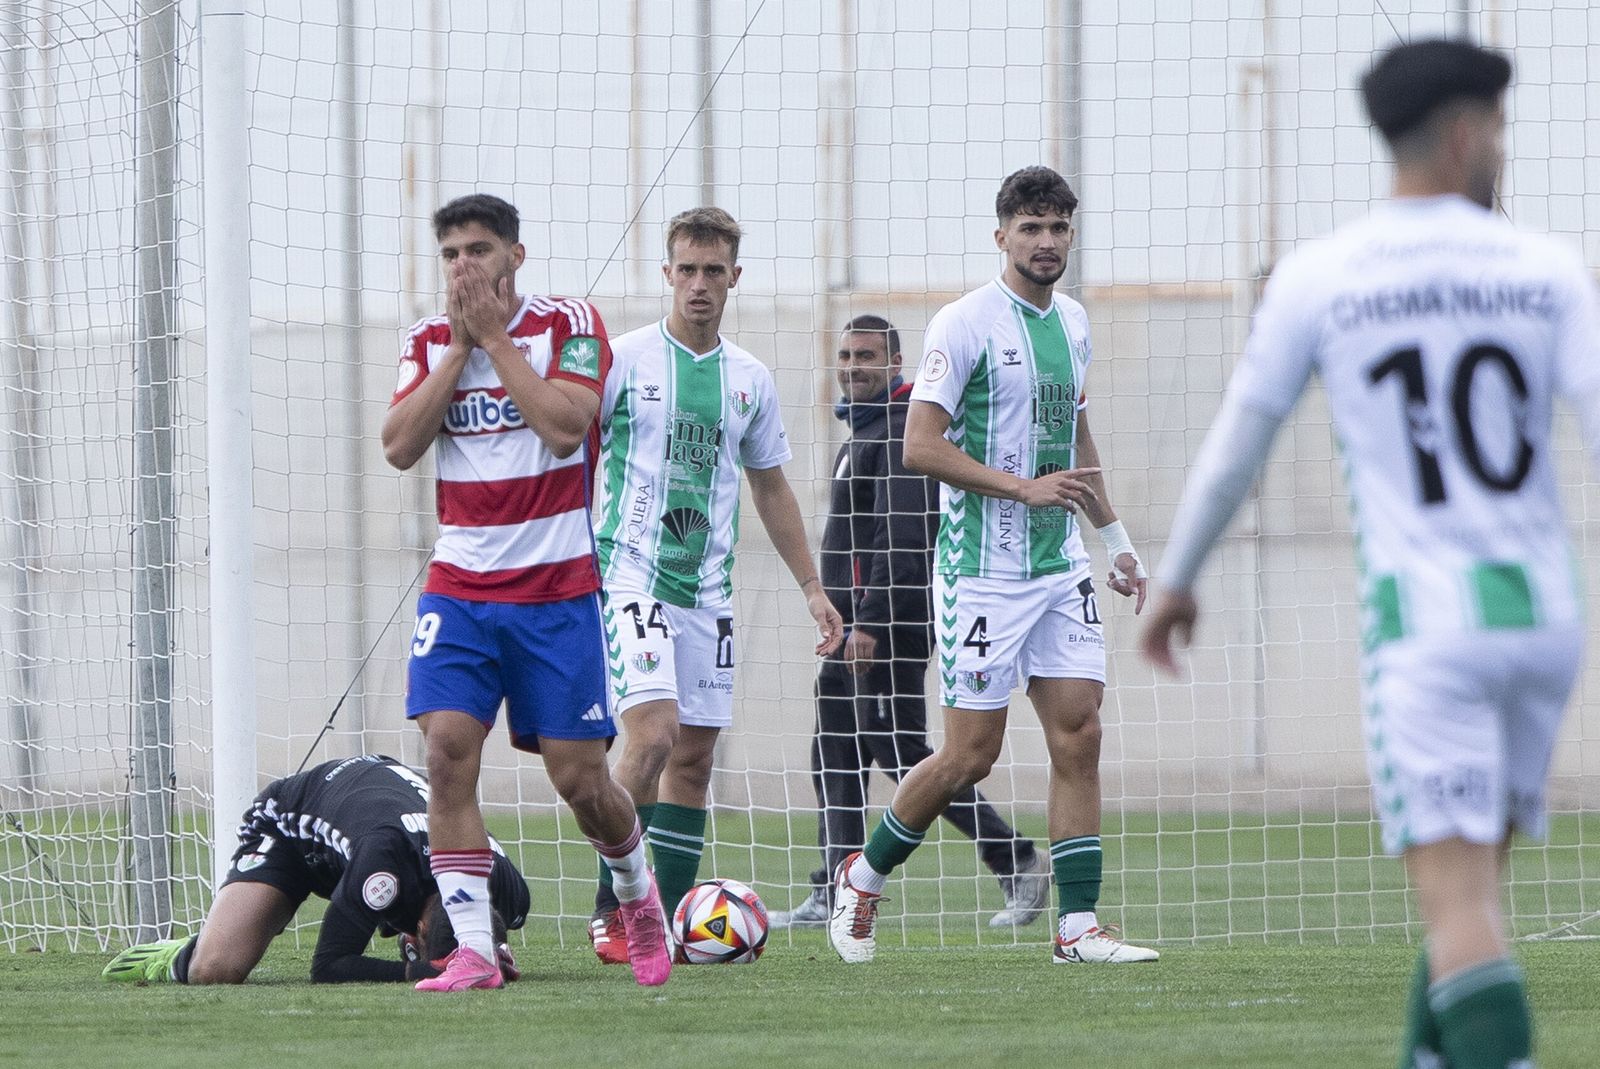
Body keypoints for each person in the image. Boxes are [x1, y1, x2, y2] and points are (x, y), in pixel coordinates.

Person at [1141, 39, 1600, 1069]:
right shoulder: (1543, 267)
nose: (1502, 149)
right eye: (1498, 128)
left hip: (1425, 628)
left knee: (1458, 901)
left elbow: (1234, 447)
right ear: (1459, 133)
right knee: (1470, 891)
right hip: (1540, 617)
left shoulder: (1323, 275)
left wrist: (1175, 579)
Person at [827, 166, 1158, 967]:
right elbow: (919, 444)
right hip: (980, 571)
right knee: (970, 754)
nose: (1045, 242)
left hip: (1058, 567)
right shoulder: (964, 323)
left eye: (1058, 228)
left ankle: (1078, 928)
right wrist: (1021, 487)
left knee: (1080, 733)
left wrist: (1115, 540)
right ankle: (862, 878)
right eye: (1030, 227)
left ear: (1071, 235)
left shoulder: (1075, 323)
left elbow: (1076, 440)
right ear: (1001, 234)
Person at [381, 193, 670, 990]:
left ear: (516, 254)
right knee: (445, 755)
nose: (463, 266)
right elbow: (400, 445)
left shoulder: (569, 323)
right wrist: (457, 354)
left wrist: (497, 342)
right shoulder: (428, 339)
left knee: (581, 781)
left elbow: (567, 425)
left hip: (555, 593)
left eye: (478, 250)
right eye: (450, 254)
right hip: (459, 591)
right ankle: (473, 946)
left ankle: (637, 894)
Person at [586, 207, 845, 963]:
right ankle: (614, 909)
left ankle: (663, 918)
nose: (699, 284)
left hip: (708, 591)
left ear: (735, 276)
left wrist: (811, 586)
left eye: (713, 271)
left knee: (694, 757)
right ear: (666, 274)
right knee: (652, 736)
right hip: (629, 574)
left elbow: (770, 486)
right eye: (686, 270)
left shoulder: (749, 378)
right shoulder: (625, 359)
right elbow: (573, 448)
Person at [771, 314, 1049, 931]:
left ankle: (1017, 859)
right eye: (845, 356)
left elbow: (902, 538)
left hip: (886, 627)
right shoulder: (864, 432)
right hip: (850, 628)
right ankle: (833, 887)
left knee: (900, 752)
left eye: (867, 356)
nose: (853, 367)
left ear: (897, 364)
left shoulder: (899, 432)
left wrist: (869, 622)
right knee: (834, 752)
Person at [100, 755, 528, 985]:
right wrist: (421, 971)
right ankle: (180, 952)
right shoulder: (383, 864)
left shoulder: (507, 889)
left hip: (373, 809)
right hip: (292, 822)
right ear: (416, 927)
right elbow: (329, 966)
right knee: (216, 970)